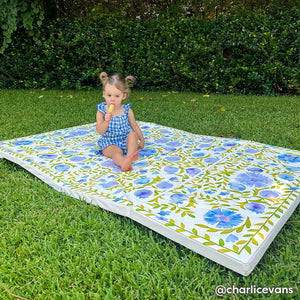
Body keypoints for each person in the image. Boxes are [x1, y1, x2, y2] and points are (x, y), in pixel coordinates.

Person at [96, 72, 145, 171]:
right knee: (116, 151)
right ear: (104, 95)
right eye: (109, 95)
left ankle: (129, 157)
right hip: (109, 143)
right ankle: (123, 162)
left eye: (117, 96)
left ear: (123, 96)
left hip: (125, 140)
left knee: (132, 135)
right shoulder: (102, 111)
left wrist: (142, 139)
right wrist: (106, 121)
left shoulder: (127, 110)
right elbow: (100, 131)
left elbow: (134, 126)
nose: (112, 99)